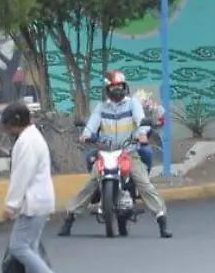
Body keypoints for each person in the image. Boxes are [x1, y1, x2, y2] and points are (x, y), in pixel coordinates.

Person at [59, 72, 171, 238]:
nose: (117, 90)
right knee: (90, 183)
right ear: (107, 89)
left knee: (144, 183)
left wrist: (142, 133)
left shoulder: (133, 104)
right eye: (113, 87)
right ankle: (69, 218)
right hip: (106, 152)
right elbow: (91, 125)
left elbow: (141, 121)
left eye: (120, 86)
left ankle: (161, 219)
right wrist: (85, 134)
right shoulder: (101, 107)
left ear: (125, 87)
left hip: (129, 152)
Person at [1, 101, 63, 273]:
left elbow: (21, 176)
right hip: (41, 200)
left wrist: (11, 205)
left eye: (7, 124)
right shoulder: (32, 137)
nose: (6, 129)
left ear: (14, 122)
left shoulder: (26, 142)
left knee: (18, 246)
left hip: (33, 202)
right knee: (31, 247)